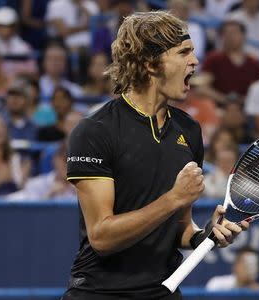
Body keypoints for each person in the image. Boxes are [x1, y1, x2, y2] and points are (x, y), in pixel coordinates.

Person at [61, 11, 249, 299]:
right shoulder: (95, 131)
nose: (195, 61)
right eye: (184, 52)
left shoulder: (189, 129)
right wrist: (173, 198)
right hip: (100, 294)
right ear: (150, 63)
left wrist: (206, 235)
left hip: (163, 293)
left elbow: (179, 227)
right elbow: (101, 236)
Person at [200, 18, 259, 105]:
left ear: (243, 36)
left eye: (234, 33)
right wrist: (224, 99)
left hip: (247, 108)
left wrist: (244, 101)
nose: (230, 36)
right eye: (226, 33)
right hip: (219, 108)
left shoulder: (253, 62)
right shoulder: (213, 58)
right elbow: (202, 87)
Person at [7, 143, 76, 201]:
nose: (68, 163)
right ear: (55, 159)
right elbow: (30, 214)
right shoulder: (36, 185)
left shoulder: (84, 189)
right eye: (65, 158)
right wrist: (49, 195)